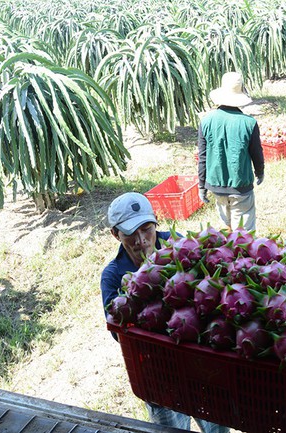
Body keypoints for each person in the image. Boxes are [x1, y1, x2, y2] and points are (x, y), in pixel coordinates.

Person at [100, 192, 229, 433]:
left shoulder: (176, 245)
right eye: (129, 234)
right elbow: (118, 334)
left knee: (217, 427)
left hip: (198, 363)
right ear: (115, 234)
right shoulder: (113, 275)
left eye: (147, 229)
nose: (141, 241)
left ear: (156, 223)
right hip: (157, 373)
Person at [197, 72, 264, 232]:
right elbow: (257, 153)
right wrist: (260, 172)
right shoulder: (249, 123)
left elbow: (202, 157)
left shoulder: (206, 121)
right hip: (241, 186)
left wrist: (202, 185)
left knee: (225, 230)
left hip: (216, 185)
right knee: (243, 236)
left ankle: (227, 254)